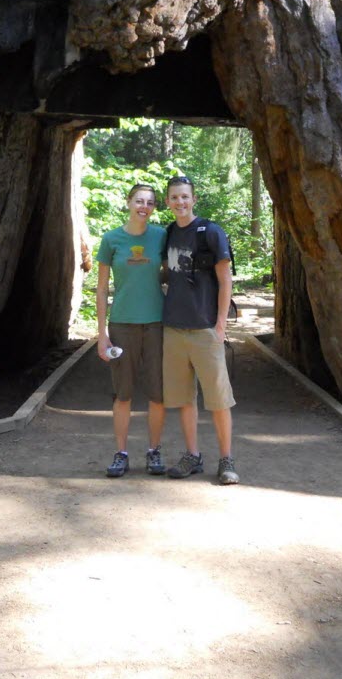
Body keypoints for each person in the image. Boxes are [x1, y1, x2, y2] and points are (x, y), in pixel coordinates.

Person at [161, 174, 240, 485]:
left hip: (206, 329)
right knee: (184, 398)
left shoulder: (211, 232)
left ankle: (226, 459)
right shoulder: (168, 234)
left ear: (194, 199)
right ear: (168, 202)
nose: (180, 202)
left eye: (185, 197)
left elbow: (225, 280)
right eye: (174, 197)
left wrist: (220, 325)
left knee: (219, 399)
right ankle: (192, 455)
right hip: (174, 329)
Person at [95, 184, 169, 477]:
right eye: (139, 201)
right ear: (129, 202)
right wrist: (102, 334)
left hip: (156, 324)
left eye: (150, 202)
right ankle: (121, 453)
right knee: (123, 393)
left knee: (157, 394)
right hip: (122, 325)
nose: (144, 206)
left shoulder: (161, 236)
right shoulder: (111, 239)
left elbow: (174, 273)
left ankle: (154, 451)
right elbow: (101, 290)